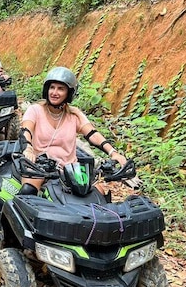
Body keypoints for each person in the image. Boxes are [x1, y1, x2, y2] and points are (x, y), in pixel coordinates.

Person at [18, 67, 127, 195]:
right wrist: (28, 148)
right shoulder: (35, 110)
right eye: (52, 87)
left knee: (100, 195)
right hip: (40, 166)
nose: (54, 92)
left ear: (69, 93)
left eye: (61, 89)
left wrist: (113, 152)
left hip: (70, 169)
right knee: (28, 192)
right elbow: (26, 130)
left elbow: (93, 134)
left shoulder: (74, 115)